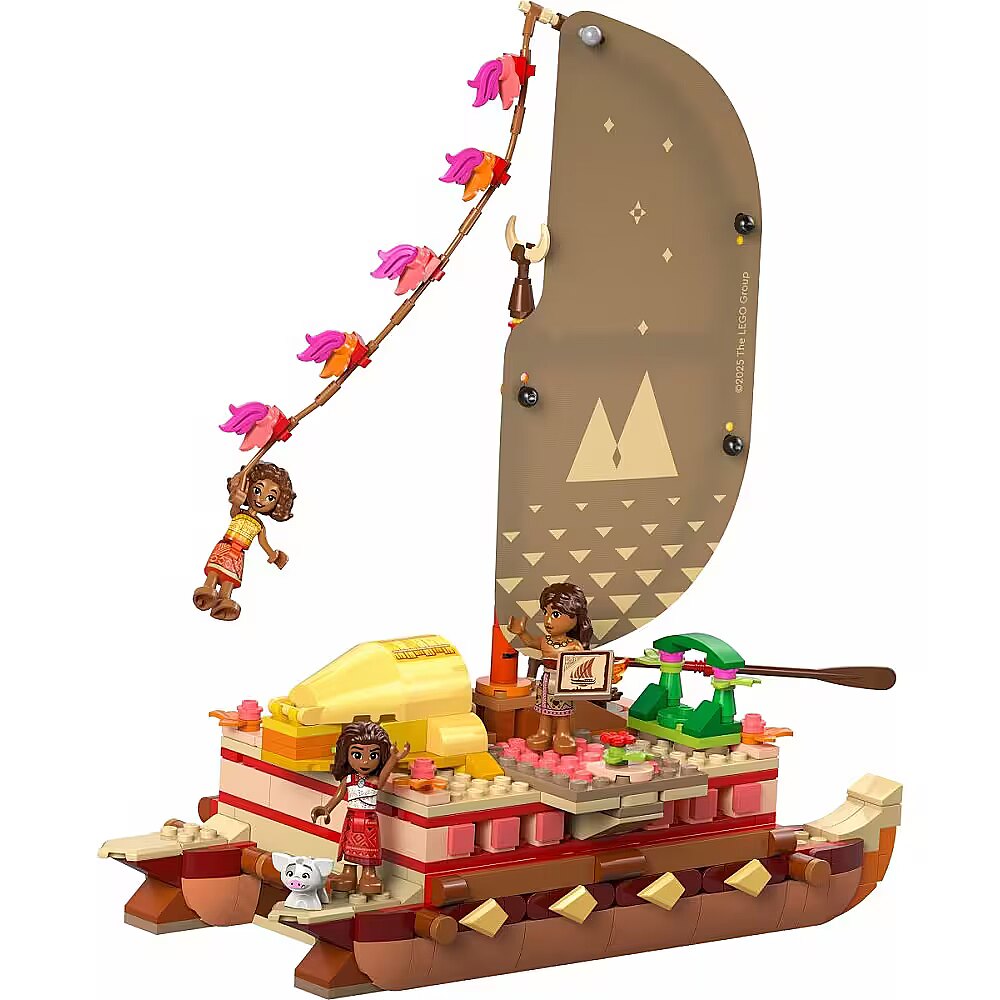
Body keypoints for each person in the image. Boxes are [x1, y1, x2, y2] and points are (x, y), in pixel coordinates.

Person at [310, 721, 409, 896]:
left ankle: (369, 875)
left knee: (369, 848)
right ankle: (348, 873)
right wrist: (326, 809)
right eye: (357, 754)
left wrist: (394, 758)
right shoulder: (349, 780)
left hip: (369, 821)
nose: (365, 761)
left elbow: (384, 775)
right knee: (348, 847)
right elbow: (338, 796)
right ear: (346, 754)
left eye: (373, 755)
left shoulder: (374, 781)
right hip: (351, 818)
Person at [192, 462, 294, 621]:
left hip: (238, 555)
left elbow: (263, 543)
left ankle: (224, 600)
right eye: (257, 490)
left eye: (270, 497)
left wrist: (273, 555)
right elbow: (234, 509)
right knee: (214, 571)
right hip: (225, 547)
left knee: (229, 580)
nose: (261, 499)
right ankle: (208, 590)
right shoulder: (238, 513)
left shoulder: (259, 526)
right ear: (249, 487)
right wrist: (236, 501)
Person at [507, 581, 593, 754]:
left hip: (563, 683)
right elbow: (530, 642)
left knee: (563, 712)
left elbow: (585, 665)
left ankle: (563, 734)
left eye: (555, 614)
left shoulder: (574, 645)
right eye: (545, 613)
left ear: (574, 616)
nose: (547, 620)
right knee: (544, 712)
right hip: (546, 681)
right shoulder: (544, 641)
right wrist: (521, 632)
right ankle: (543, 733)